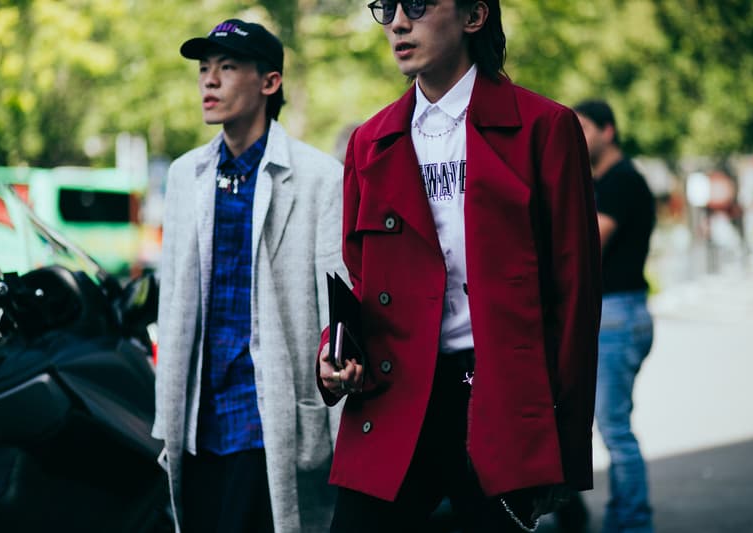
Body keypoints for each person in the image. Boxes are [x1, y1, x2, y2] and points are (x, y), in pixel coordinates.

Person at [316, 2, 602, 532]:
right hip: (394, 395)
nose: (399, 22)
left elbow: (576, 300)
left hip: (499, 401)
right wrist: (332, 355)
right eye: (388, 8)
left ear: (474, 16)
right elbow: (360, 282)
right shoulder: (369, 141)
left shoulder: (546, 128)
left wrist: (562, 448)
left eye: (419, 5)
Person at [152, 18, 345, 533]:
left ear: (270, 82)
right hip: (196, 421)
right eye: (204, 68)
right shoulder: (184, 175)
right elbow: (172, 303)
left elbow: (335, 304)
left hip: (268, 416)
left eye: (228, 67)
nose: (209, 81)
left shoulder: (319, 178)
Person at [574, 99, 656, 533]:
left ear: (609, 131)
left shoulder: (622, 181)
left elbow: (589, 243)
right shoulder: (602, 181)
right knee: (603, 426)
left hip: (618, 314)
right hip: (616, 314)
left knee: (615, 430)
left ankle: (632, 524)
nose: (578, 138)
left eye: (584, 128)